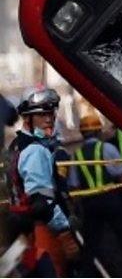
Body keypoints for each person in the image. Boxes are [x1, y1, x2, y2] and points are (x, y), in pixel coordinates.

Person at [5, 87, 79, 277]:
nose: (49, 119)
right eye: (41, 114)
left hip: (24, 232)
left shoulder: (16, 145)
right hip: (44, 232)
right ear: (27, 118)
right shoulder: (36, 151)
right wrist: (64, 234)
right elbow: (41, 201)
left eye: (51, 113)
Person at [67, 113, 122, 277]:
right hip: (111, 200)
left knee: (91, 246)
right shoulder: (107, 148)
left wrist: (75, 209)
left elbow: (74, 186)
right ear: (98, 131)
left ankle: (86, 274)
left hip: (90, 204)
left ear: (82, 134)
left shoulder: (76, 155)